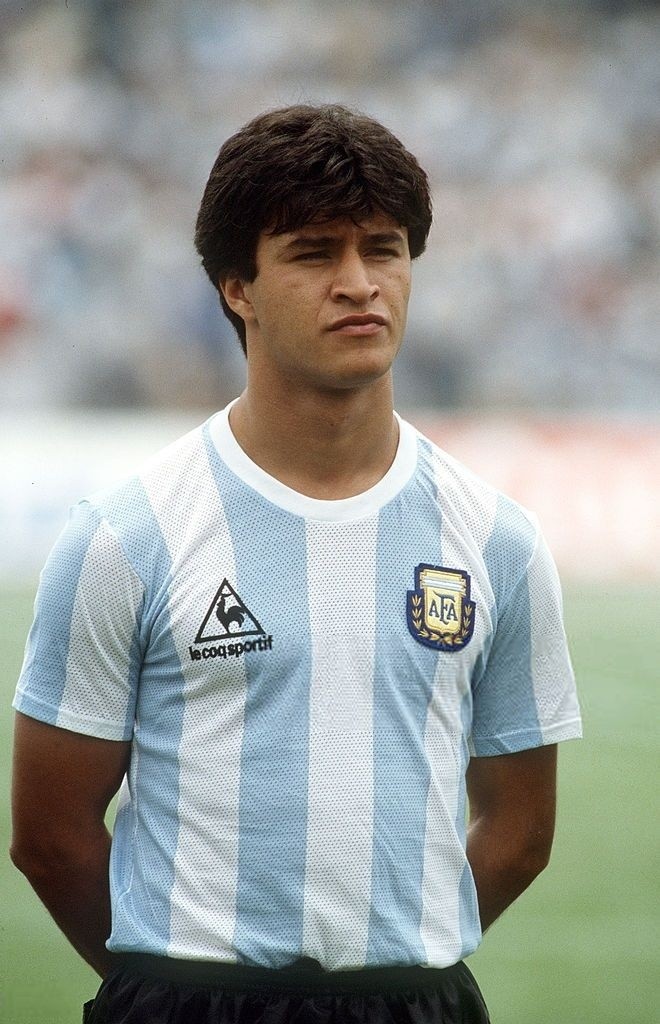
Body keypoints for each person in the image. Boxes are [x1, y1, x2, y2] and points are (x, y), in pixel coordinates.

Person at [11, 104, 582, 1024]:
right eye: (315, 254)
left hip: (415, 1003)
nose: (359, 284)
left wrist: (399, 962)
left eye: (384, 250)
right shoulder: (126, 535)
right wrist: (171, 985)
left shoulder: (497, 539)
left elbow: (521, 830)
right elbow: (48, 836)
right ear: (238, 287)